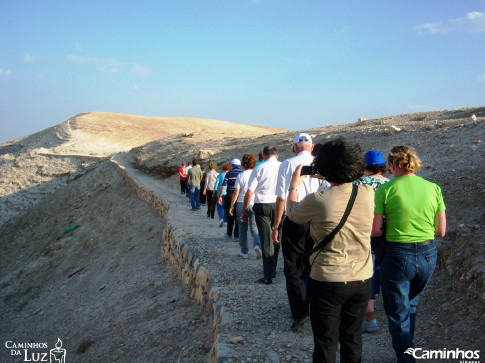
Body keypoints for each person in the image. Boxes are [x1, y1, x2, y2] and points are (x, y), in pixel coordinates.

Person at [286, 138, 374, 363]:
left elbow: (292, 213)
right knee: (352, 339)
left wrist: (294, 184)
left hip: (328, 280)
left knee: (325, 342)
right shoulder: (367, 193)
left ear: (323, 166)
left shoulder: (319, 199)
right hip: (362, 278)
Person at [372, 146, 446, 363]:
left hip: (397, 254)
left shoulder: (386, 189)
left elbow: (376, 230)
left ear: (392, 166)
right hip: (427, 255)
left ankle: (407, 358)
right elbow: (441, 231)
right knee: (411, 304)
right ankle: (408, 350)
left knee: (397, 315)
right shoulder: (433, 188)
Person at [273, 132, 329, 331]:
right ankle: (318, 308)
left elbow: (281, 197)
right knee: (314, 264)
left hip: (296, 218)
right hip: (319, 220)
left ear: (295, 147)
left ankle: (299, 312)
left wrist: (276, 225)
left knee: (294, 268)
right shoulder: (322, 163)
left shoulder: (288, 164)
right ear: (312, 147)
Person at [354, 150, 389, 334]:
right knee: (378, 269)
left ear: (364, 166)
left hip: (362, 234)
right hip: (385, 234)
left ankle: (368, 314)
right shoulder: (390, 184)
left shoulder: (358, 184)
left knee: (365, 271)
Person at [242, 146, 281, 285]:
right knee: (276, 237)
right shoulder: (283, 167)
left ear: (264, 155)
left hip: (262, 205)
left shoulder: (259, 168)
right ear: (276, 155)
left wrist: (245, 210)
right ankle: (273, 267)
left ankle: (268, 275)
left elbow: (249, 192)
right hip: (279, 204)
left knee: (266, 240)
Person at [229, 154, 262, 259]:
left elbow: (236, 192)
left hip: (241, 203)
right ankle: (257, 245)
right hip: (254, 203)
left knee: (242, 229)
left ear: (243, 163)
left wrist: (231, 206)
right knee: (254, 227)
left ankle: (244, 252)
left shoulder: (241, 175)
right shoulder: (257, 174)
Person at [218, 159, 243, 240]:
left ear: (232, 165)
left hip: (229, 195)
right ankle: (236, 235)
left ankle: (229, 233)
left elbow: (223, 186)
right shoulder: (242, 173)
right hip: (239, 195)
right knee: (237, 215)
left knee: (230, 214)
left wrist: (220, 196)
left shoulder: (228, 173)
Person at [214, 163, 231, 228]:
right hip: (227, 192)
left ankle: (221, 218)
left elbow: (216, 184)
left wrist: (214, 191)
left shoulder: (220, 175)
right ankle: (226, 221)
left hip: (219, 192)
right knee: (226, 207)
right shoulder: (229, 175)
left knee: (219, 207)